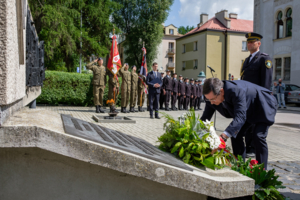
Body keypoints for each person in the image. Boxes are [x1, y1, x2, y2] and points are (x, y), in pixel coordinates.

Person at [200, 78, 277, 170]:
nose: (211, 103)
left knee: (258, 136)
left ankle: (261, 172)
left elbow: (240, 117)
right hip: (247, 111)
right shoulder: (211, 98)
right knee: (236, 134)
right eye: (208, 100)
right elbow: (205, 118)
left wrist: (222, 138)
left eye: (213, 99)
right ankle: (240, 166)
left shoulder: (235, 91)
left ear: (221, 91)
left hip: (262, 106)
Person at [240, 32, 273, 158]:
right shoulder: (247, 60)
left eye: (252, 42)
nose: (249, 44)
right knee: (247, 123)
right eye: (248, 42)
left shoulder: (265, 59)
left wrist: (263, 100)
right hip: (247, 98)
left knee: (254, 125)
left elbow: (266, 82)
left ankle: (253, 148)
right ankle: (248, 147)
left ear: (258, 43)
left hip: (258, 98)